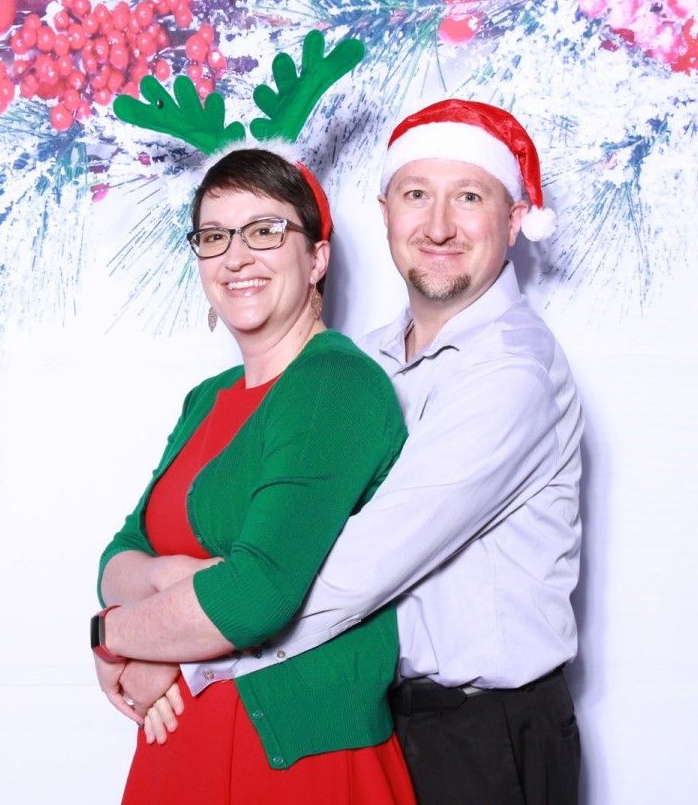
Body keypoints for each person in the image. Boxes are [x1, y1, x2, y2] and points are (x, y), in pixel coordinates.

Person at [111, 99, 585, 805]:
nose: (439, 226)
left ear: (514, 220)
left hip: (485, 738)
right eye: (416, 195)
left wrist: (173, 652)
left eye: (470, 197)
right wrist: (147, 622)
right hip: (386, 718)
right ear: (386, 210)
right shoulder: (369, 363)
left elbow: (344, 575)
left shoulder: (510, 374)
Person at [91, 148, 417, 804]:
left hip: (292, 764)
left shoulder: (332, 384)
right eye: (215, 237)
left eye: (265, 231)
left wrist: (111, 637)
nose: (235, 257)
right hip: (180, 744)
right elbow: (118, 554)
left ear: (316, 258)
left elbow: (256, 596)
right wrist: (163, 580)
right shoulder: (207, 399)